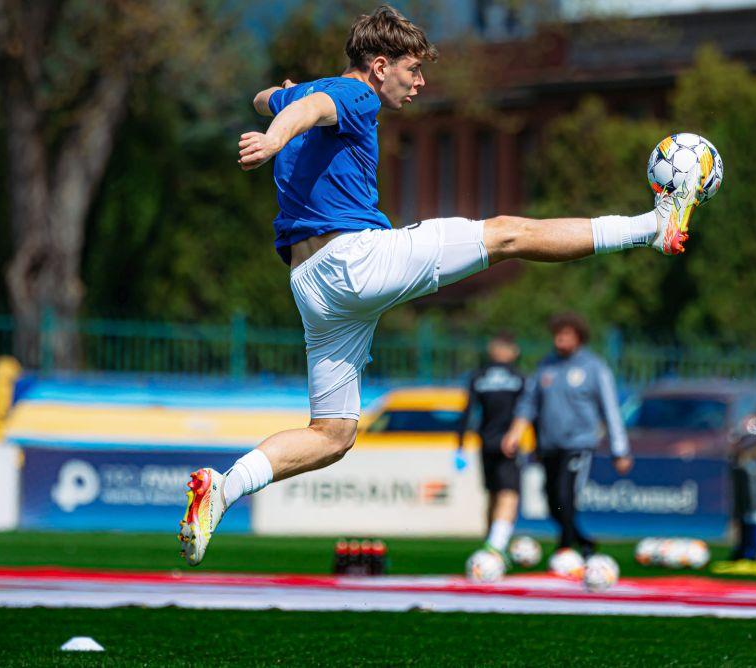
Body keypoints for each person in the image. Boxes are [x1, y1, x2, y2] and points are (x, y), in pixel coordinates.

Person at [179, 5, 704, 565]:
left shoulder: (314, 91)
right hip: (355, 262)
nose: (421, 81)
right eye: (412, 69)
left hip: (310, 284)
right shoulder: (354, 95)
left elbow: (274, 97)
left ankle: (223, 487)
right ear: (379, 66)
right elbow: (305, 108)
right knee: (505, 235)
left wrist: (275, 103)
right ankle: (651, 226)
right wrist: (274, 138)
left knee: (332, 433)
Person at [500, 313, 632, 558]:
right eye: (557, 335)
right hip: (549, 445)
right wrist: (515, 433)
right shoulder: (546, 367)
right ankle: (583, 541)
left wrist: (620, 450)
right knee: (551, 501)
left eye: (566, 335)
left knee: (565, 494)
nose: (560, 340)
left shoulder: (594, 368)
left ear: (578, 337)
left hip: (578, 444)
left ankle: (565, 549)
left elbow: (611, 410)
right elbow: (529, 404)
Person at [455, 334, 525, 559]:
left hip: (486, 442)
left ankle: (491, 541)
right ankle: (496, 545)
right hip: (510, 443)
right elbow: (529, 411)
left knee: (494, 493)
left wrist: (460, 443)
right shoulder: (519, 377)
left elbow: (468, 411)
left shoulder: (479, 376)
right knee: (509, 493)